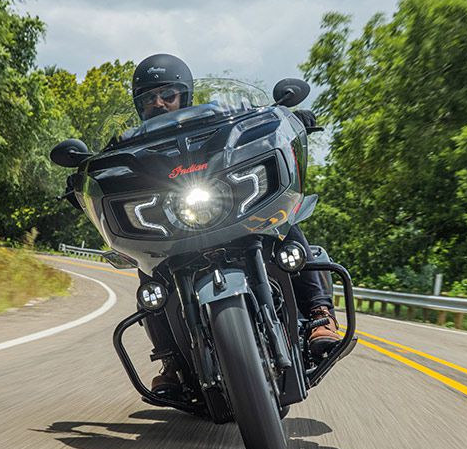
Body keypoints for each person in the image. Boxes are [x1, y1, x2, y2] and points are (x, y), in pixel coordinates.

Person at [130, 53, 340, 397]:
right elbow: (117, 167)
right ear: (139, 104)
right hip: (177, 227)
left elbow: (245, 136)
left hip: (227, 210)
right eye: (149, 98)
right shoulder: (134, 145)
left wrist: (288, 120)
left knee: (286, 221)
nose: (159, 103)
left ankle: (320, 316)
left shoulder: (213, 121)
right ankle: (171, 361)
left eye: (168, 94)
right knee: (148, 268)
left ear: (185, 95)